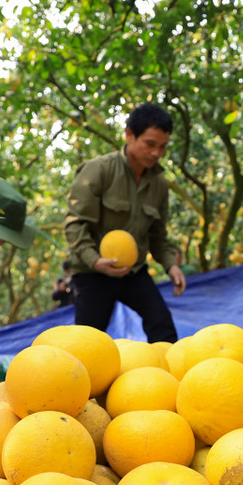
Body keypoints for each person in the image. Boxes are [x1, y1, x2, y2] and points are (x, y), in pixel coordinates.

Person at [64, 103, 186, 343]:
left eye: (162, 147)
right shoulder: (98, 171)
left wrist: (171, 265)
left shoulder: (159, 185)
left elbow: (158, 237)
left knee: (163, 327)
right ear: (129, 135)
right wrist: (96, 261)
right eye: (150, 144)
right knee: (88, 342)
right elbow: (75, 226)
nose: (156, 153)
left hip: (134, 272)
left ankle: (166, 379)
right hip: (92, 272)